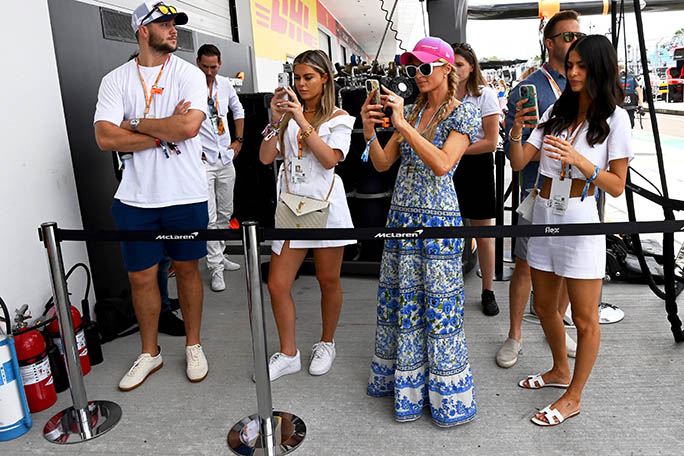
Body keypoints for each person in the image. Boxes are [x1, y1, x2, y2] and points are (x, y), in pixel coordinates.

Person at [509, 34, 632, 426]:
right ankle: (560, 370)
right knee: (545, 307)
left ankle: (574, 395)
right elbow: (517, 162)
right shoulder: (556, 113)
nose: (573, 72)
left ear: (599, 69)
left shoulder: (616, 118)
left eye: (582, 66)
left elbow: (616, 184)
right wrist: (515, 129)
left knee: (583, 316)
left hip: (580, 218)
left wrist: (580, 161)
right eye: (571, 65)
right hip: (545, 211)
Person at [362, 37, 481, 427]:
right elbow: (382, 165)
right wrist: (369, 131)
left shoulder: (462, 114)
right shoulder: (411, 111)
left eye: (425, 68)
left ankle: (447, 398)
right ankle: (408, 391)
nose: (418, 76)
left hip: (438, 223)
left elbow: (444, 164)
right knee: (404, 303)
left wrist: (402, 126)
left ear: (448, 68)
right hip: (401, 218)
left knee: (439, 308)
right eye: (413, 69)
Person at [94, 1, 209, 391]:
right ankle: (150, 353)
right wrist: (164, 130)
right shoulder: (115, 80)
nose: (173, 28)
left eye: (175, 21)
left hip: (185, 194)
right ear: (143, 30)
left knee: (189, 272)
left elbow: (190, 127)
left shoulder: (189, 74)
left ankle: (193, 345)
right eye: (164, 22)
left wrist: (136, 123)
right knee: (141, 279)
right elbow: (105, 136)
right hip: (136, 199)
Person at [258, 50, 355, 381]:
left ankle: (327, 342)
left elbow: (330, 159)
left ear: (325, 78)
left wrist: (300, 119)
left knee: (328, 280)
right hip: (291, 204)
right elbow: (264, 157)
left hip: (325, 205)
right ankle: (288, 353)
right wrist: (275, 120)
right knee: (276, 283)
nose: (300, 84)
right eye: (296, 78)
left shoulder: (339, 117)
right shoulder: (285, 115)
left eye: (308, 77)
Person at [498, 10, 583, 368]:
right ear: (549, 43)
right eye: (567, 37)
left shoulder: (583, 83)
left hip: (578, 192)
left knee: (567, 266)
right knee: (525, 264)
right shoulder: (528, 87)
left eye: (579, 35)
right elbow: (513, 149)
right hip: (537, 191)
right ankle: (514, 335)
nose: (574, 41)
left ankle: (558, 324)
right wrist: (531, 141)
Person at [451, 42, 501, 316]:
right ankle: (450, 288)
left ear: (472, 67)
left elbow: (491, 142)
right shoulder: (441, 95)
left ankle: (487, 290)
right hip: (449, 169)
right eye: (451, 64)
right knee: (452, 234)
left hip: (477, 166)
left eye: (460, 64)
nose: (455, 69)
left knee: (484, 236)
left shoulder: (484, 95)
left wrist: (454, 152)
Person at [196, 43, 245, 292]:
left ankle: (221, 255)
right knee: (210, 217)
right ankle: (214, 267)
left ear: (220, 64)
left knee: (226, 213)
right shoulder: (190, 84)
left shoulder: (225, 84)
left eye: (213, 67)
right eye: (204, 66)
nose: (209, 71)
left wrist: (239, 140)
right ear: (198, 62)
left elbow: (238, 109)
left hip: (225, 157)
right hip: (202, 161)